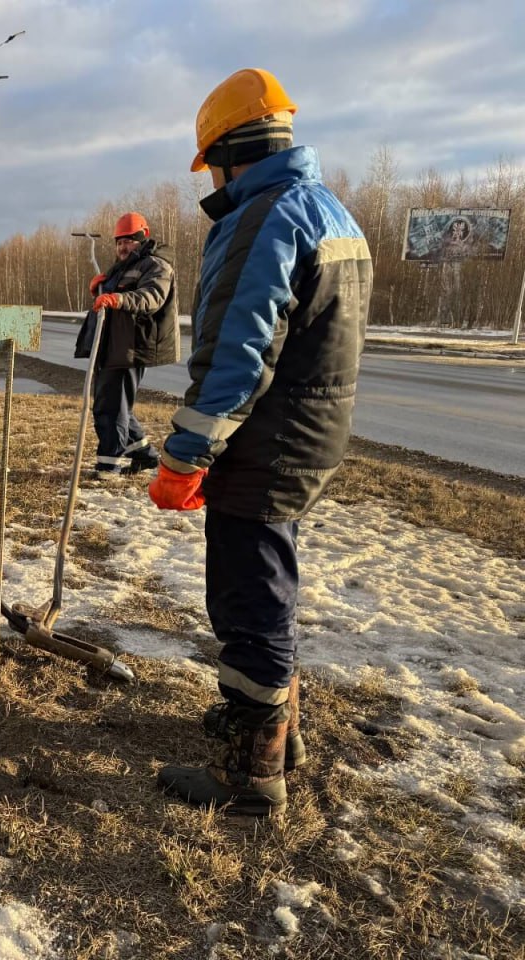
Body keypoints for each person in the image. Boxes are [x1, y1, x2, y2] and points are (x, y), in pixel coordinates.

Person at [149, 68, 372, 816]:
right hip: (308, 437)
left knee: (248, 598)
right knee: (273, 579)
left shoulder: (266, 217)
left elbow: (239, 355)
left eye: (210, 164)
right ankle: (286, 728)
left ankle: (252, 777)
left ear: (226, 153)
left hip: (265, 443)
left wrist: (187, 454)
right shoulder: (331, 211)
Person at [74, 212, 179, 477]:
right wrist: (101, 287)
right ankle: (144, 455)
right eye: (119, 241)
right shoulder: (123, 266)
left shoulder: (156, 265)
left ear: (142, 238)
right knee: (116, 405)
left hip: (130, 347)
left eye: (129, 240)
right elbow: (111, 294)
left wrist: (116, 299)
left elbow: (151, 297)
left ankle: (109, 465)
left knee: (111, 408)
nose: (123, 246)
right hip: (113, 346)